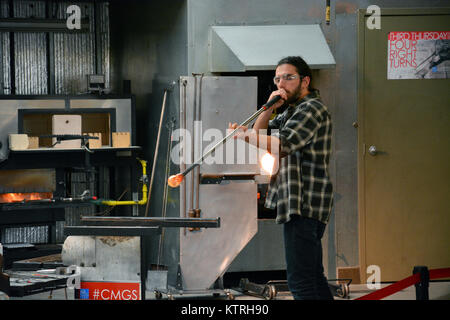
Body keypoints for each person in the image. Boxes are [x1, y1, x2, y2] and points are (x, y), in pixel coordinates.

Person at [229, 56, 334, 300]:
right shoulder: (293, 110)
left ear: (304, 80)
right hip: (298, 202)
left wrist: (245, 137)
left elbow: (282, 145)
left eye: (288, 77)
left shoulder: (312, 109)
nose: (281, 83)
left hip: (305, 201)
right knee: (313, 277)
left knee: (300, 282)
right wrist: (268, 107)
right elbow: (260, 133)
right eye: (277, 78)